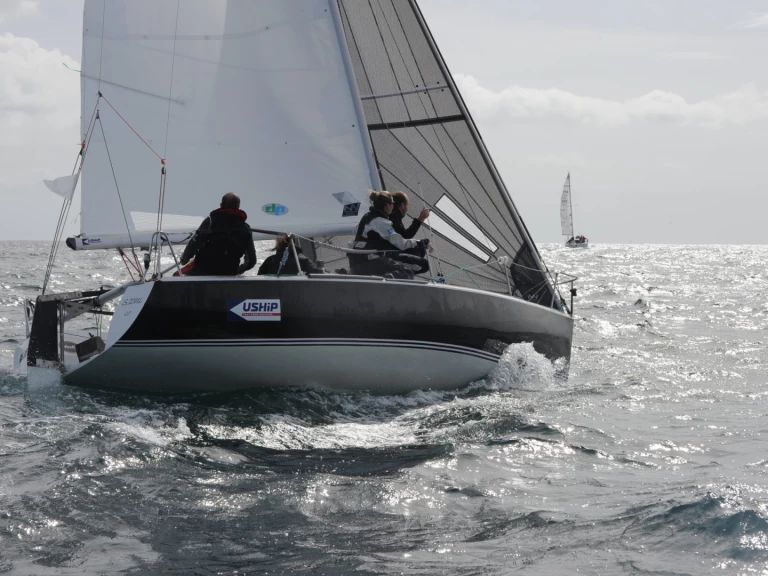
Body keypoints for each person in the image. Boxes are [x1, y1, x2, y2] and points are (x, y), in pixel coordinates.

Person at [348, 191, 429, 278]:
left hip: (354, 263)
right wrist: (420, 242)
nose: (393, 206)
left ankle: (347, 274)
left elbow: (355, 230)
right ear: (387, 205)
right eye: (392, 204)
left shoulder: (366, 217)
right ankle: (379, 282)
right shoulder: (382, 222)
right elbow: (401, 243)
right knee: (406, 272)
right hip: (370, 261)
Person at [180, 192, 257, 275]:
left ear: (221, 205)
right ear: (238, 206)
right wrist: (238, 270)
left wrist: (184, 260)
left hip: (203, 271)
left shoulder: (210, 221)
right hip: (229, 273)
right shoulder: (245, 228)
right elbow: (251, 260)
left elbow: (194, 244)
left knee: (181, 274)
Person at [257, 235, 324, 275]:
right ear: (294, 242)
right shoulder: (304, 261)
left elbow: (260, 279)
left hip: (274, 295)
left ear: (278, 244)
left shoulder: (270, 260)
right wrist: (322, 271)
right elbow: (317, 274)